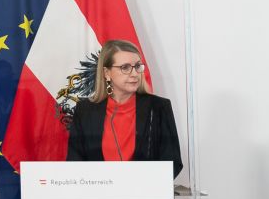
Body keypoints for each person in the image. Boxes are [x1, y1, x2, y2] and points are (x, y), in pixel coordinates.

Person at [65, 38, 183, 177]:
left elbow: (173, 163)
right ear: (107, 73)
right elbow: (75, 162)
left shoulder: (158, 108)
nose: (134, 73)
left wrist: (137, 185)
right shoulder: (85, 110)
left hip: (143, 189)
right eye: (125, 67)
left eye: (138, 66)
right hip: (98, 189)